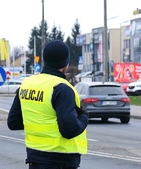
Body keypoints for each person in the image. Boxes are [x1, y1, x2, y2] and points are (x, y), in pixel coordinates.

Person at [7, 40, 88, 169]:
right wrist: (84, 117)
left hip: (35, 158)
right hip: (61, 159)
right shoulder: (62, 88)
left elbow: (13, 122)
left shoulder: (27, 84)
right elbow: (69, 130)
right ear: (66, 64)